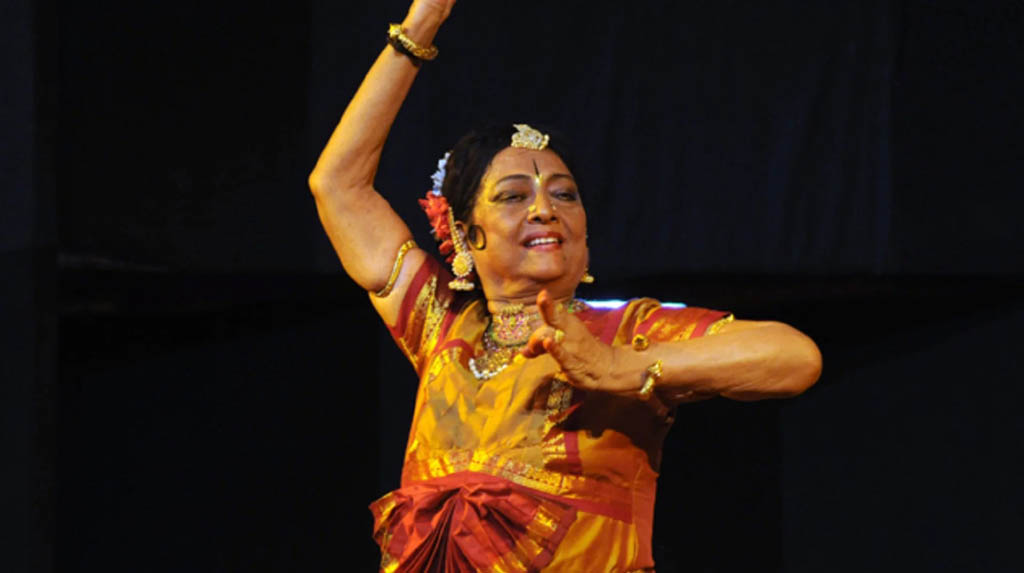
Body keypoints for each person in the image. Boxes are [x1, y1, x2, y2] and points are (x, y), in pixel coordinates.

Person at [308, 1, 822, 570]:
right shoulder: (442, 327)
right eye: (513, 196)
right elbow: (338, 187)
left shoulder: (624, 330)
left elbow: (795, 358)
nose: (544, 210)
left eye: (564, 195)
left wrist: (621, 368)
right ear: (464, 234)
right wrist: (419, 26)